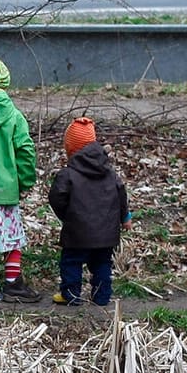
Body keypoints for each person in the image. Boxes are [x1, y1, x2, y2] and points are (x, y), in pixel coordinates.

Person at [0, 56, 41, 303]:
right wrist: (24, 181)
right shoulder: (14, 115)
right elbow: (25, 149)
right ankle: (13, 282)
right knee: (12, 237)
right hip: (7, 189)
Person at [47, 117, 129, 306]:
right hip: (107, 232)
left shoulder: (68, 174)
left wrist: (67, 215)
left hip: (77, 230)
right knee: (102, 263)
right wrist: (125, 217)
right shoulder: (109, 172)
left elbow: (56, 197)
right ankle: (102, 296)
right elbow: (121, 194)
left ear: (71, 149)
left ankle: (71, 295)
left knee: (71, 262)